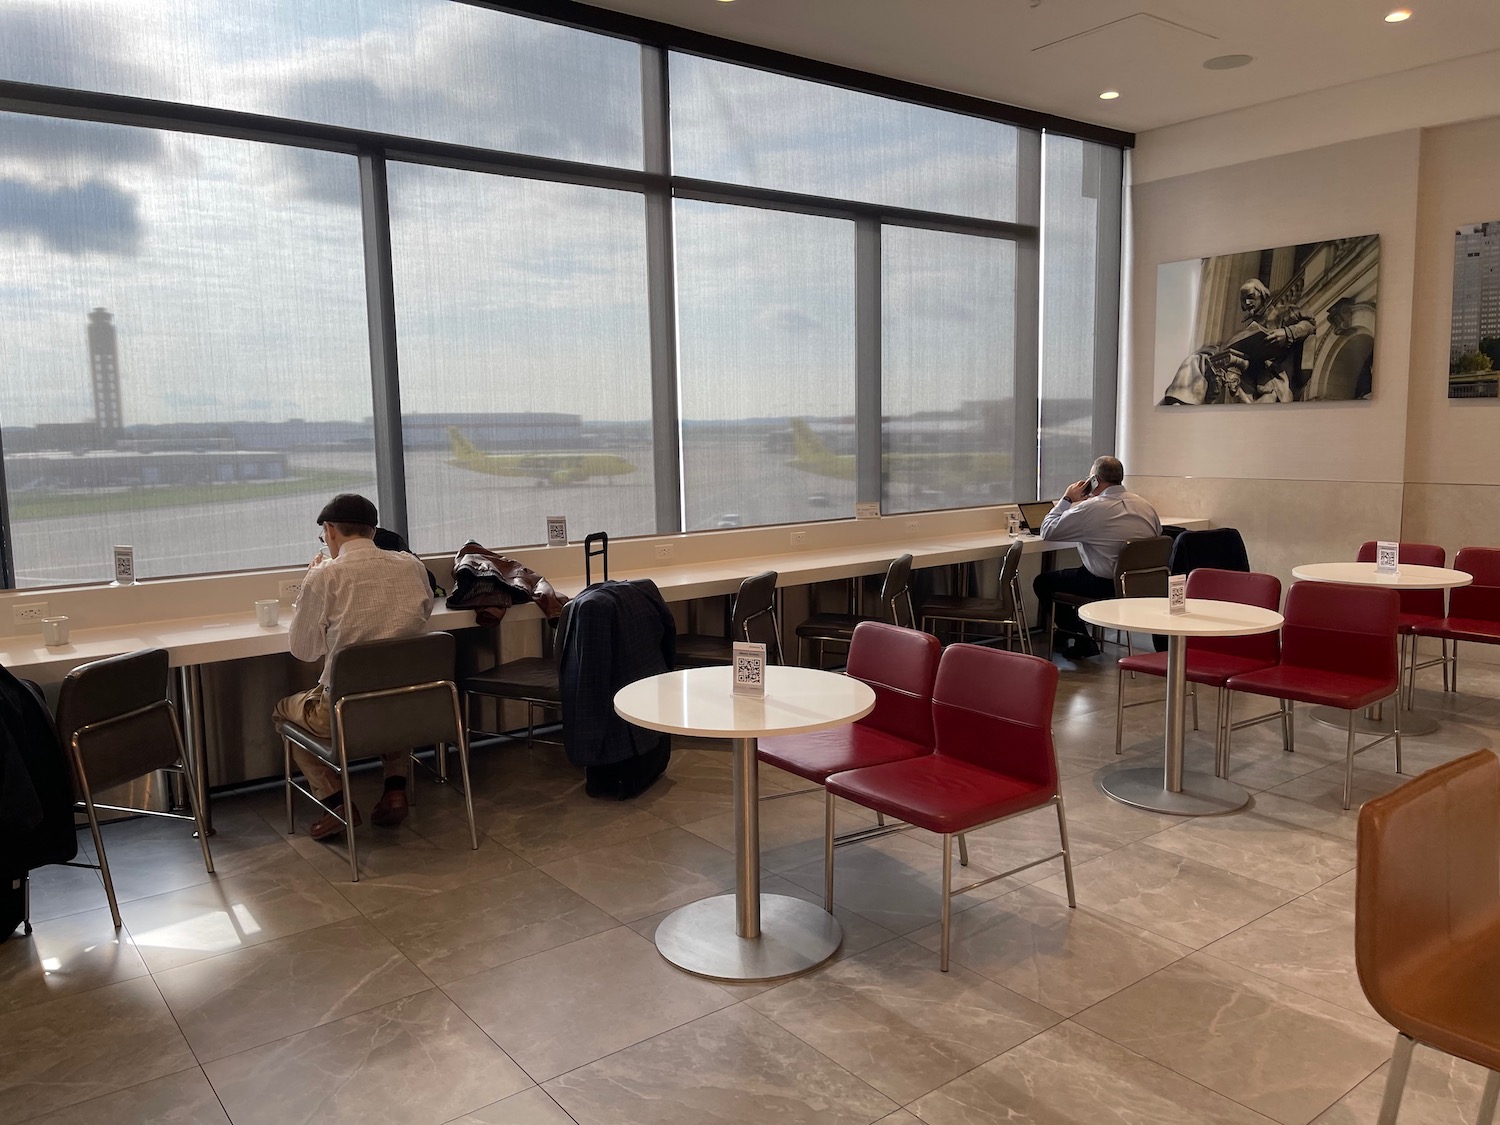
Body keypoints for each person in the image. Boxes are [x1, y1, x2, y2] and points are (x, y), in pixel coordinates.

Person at [272, 493, 434, 840]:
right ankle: (394, 789)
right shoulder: (412, 565)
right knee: (390, 693)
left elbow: (304, 650)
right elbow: (424, 616)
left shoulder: (326, 576)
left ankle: (336, 804)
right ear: (373, 530)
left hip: (344, 713)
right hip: (409, 707)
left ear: (330, 531)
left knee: (284, 712)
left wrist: (309, 584)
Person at [1032, 456, 1161, 660]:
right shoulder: (1145, 506)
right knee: (1075, 573)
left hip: (1104, 584)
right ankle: (1067, 635)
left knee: (1043, 582)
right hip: (1142, 584)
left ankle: (1082, 639)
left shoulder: (1091, 509)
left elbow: (1047, 531)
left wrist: (1066, 500)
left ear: (1095, 480)